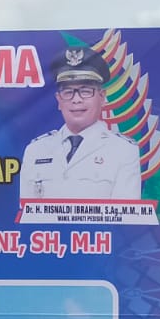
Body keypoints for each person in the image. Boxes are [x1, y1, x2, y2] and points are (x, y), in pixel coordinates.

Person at [19, 47, 141, 202]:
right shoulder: (35, 150)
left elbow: (125, 214)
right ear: (59, 100)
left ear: (102, 97)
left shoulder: (123, 151)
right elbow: (27, 212)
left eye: (86, 91)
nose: (76, 100)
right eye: (68, 92)